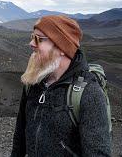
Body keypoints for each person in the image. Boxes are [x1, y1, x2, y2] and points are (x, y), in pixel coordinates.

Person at [11, 15, 112, 157]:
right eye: (32, 36)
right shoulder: (33, 83)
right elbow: (19, 138)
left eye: (39, 39)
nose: (31, 44)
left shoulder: (88, 93)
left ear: (62, 47)